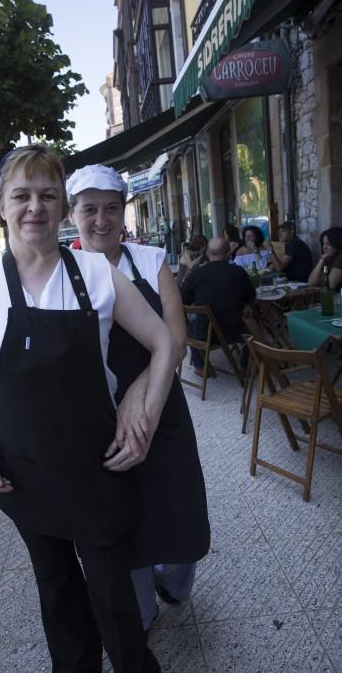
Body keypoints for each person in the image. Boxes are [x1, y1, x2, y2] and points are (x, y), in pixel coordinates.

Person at [0, 145, 178, 672]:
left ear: (61, 207)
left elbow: (164, 343)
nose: (35, 207)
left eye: (48, 195)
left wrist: (142, 411)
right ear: (0, 206)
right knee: (54, 589)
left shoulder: (96, 273)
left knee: (112, 594)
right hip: (23, 470)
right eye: (22, 195)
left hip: (94, 465)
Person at [65, 164, 210, 631]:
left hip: (163, 408)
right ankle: (141, 602)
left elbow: (176, 335)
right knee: (124, 516)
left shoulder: (149, 260)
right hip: (98, 421)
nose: (101, 220)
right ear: (73, 214)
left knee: (179, 506)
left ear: (123, 211)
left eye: (111, 208)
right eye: (90, 209)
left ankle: (176, 581)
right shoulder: (62, 272)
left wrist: (140, 400)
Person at [181, 237, 256, 375]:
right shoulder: (238, 272)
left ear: (208, 253)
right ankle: (245, 366)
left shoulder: (196, 275)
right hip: (235, 331)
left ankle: (200, 366)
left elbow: (182, 301)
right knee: (254, 328)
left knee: (190, 323)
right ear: (228, 253)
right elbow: (251, 298)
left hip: (203, 334)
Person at [308, 226, 342, 291]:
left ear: (337, 244)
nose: (325, 247)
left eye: (328, 244)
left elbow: (329, 286)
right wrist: (321, 260)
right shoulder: (328, 259)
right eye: (323, 244)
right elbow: (311, 283)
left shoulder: (340, 258)